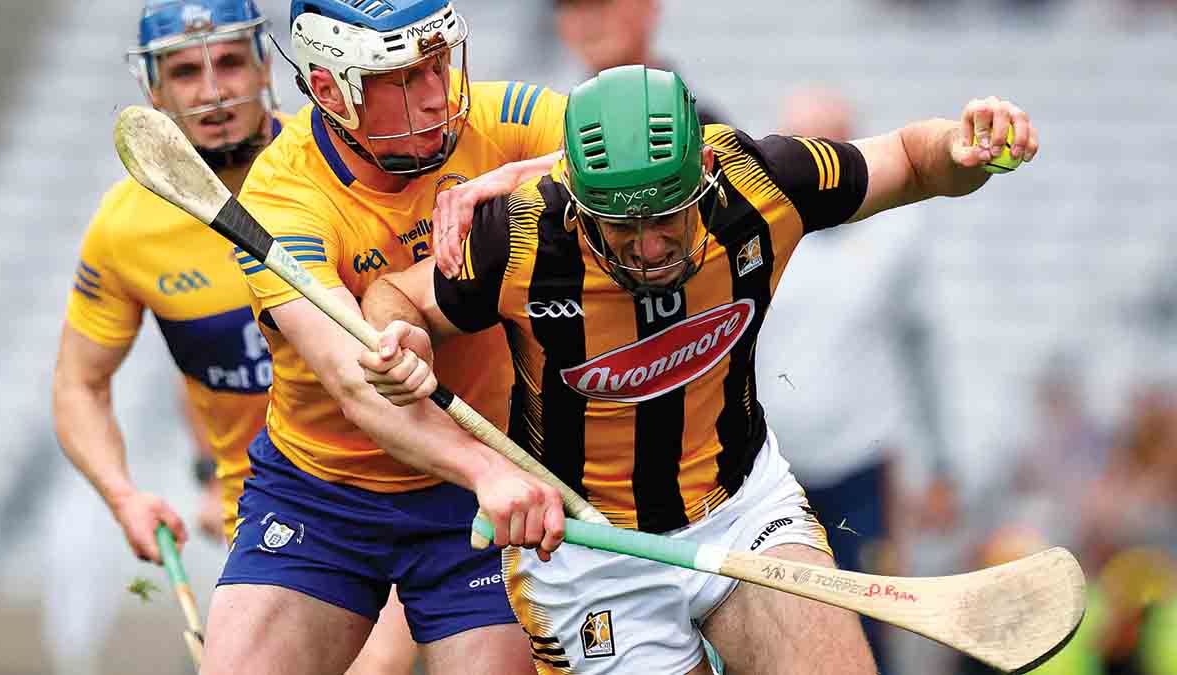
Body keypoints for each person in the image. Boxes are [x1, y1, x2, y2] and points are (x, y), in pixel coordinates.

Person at [359, 65, 1041, 673]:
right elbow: (397, 295)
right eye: (621, 227)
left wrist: (964, 150)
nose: (649, 247)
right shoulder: (520, 237)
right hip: (588, 552)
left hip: (744, 508)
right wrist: (400, 336)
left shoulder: (761, 183)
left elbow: (913, 161)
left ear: (704, 171)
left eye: (667, 217)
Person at [201, 1, 574, 673]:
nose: (437, 95)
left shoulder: (499, 119)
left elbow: (681, 143)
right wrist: (487, 470)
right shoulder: (281, 198)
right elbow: (359, 387)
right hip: (323, 493)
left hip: (480, 494)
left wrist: (506, 179)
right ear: (329, 91)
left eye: (438, 64)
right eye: (404, 79)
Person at [50, 2, 419, 673]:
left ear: (265, 66)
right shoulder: (124, 229)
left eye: (228, 63)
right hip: (276, 522)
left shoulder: (345, 162)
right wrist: (125, 495)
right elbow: (80, 383)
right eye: (186, 72)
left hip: (412, 487)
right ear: (153, 91)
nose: (214, 92)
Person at [753, 85, 959, 674]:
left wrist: (940, 465)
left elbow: (924, 356)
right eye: (799, 143)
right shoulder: (754, 230)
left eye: (828, 142)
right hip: (770, 470)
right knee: (772, 622)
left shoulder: (896, 235)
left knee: (870, 618)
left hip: (860, 469)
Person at [552, 0, 730, 126]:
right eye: (571, 5)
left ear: (649, 5)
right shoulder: (555, 130)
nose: (587, 22)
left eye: (601, 3)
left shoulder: (701, 129)